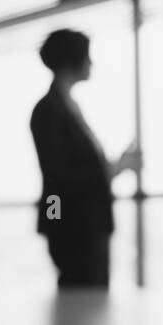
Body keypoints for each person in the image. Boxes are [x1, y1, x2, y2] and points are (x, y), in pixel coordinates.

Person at [30, 29, 139, 288]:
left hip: (86, 223)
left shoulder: (67, 107)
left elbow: (76, 171)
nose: (91, 63)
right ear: (73, 60)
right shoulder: (49, 110)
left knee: (90, 303)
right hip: (73, 228)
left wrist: (115, 166)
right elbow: (60, 175)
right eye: (87, 56)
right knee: (84, 304)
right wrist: (117, 168)